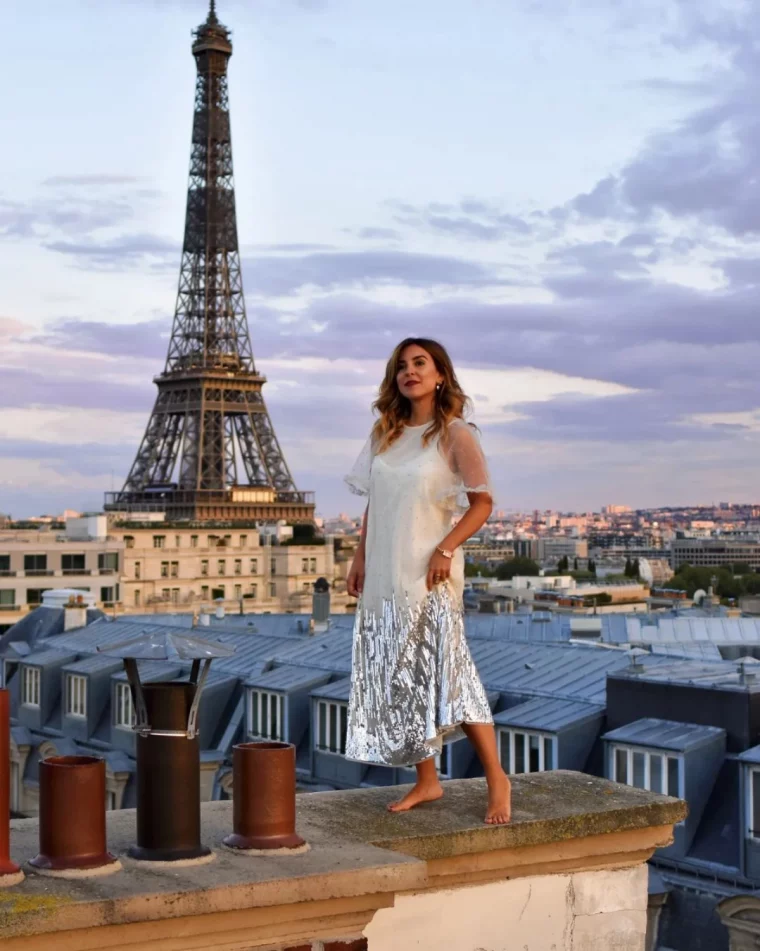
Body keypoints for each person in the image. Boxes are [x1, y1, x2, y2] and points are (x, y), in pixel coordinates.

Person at [344, 337, 511, 824]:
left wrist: (445, 548)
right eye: (401, 366)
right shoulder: (387, 433)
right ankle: (428, 779)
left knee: (450, 670)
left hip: (429, 568)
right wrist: (359, 557)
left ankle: (496, 777)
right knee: (400, 669)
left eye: (420, 363)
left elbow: (482, 503)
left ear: (440, 375)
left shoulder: (456, 434)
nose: (409, 372)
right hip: (385, 569)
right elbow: (375, 503)